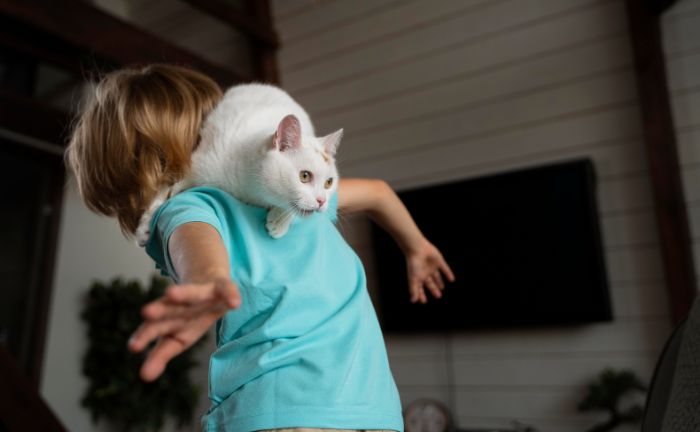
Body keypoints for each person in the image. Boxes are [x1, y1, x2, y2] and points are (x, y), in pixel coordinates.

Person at [66, 63, 455, 432]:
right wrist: (207, 281)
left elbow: (377, 194)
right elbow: (196, 246)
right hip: (302, 410)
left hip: (361, 409)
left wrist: (417, 248)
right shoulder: (192, 206)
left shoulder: (292, 195)